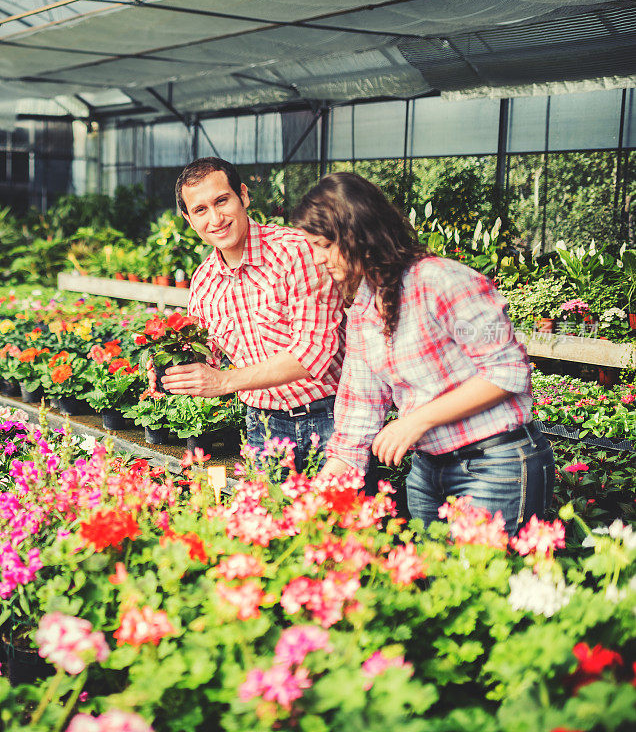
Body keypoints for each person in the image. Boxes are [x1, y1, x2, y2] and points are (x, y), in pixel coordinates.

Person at [291, 172, 554, 534]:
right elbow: (357, 419)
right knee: (434, 585)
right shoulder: (364, 310)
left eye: (323, 245)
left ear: (356, 233)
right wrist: (315, 500)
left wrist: (416, 420)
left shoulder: (443, 281)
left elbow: (507, 372)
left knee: (483, 583)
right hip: (429, 472)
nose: (318, 259)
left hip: (495, 464)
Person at [161, 157, 345, 472]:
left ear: (243, 196)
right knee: (269, 519)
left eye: (222, 201)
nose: (215, 218)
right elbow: (208, 362)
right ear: (189, 220)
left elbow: (313, 353)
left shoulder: (296, 251)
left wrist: (224, 381)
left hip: (330, 419)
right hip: (263, 428)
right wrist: (169, 359)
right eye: (200, 210)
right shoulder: (204, 284)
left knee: (346, 519)